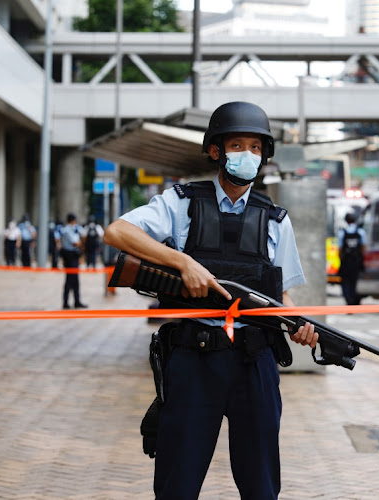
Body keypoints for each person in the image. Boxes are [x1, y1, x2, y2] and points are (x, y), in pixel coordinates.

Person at [104, 101, 317, 500]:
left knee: (261, 487)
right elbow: (117, 233)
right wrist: (182, 262)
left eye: (256, 147)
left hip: (255, 362)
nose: (247, 155)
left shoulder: (276, 219)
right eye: (237, 145)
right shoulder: (182, 203)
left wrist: (300, 325)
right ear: (216, 151)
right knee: (177, 485)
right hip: (194, 359)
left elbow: (280, 294)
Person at [58, 212, 87, 309]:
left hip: (74, 256)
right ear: (73, 220)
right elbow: (76, 243)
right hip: (69, 257)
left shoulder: (74, 229)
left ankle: (77, 301)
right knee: (69, 280)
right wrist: (81, 241)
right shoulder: (67, 230)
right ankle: (66, 302)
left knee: (75, 280)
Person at [337, 211, 367, 306]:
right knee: (353, 282)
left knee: (345, 282)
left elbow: (340, 249)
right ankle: (352, 301)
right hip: (356, 262)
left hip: (346, 262)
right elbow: (363, 247)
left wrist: (341, 259)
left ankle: (348, 299)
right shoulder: (360, 232)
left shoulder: (342, 233)